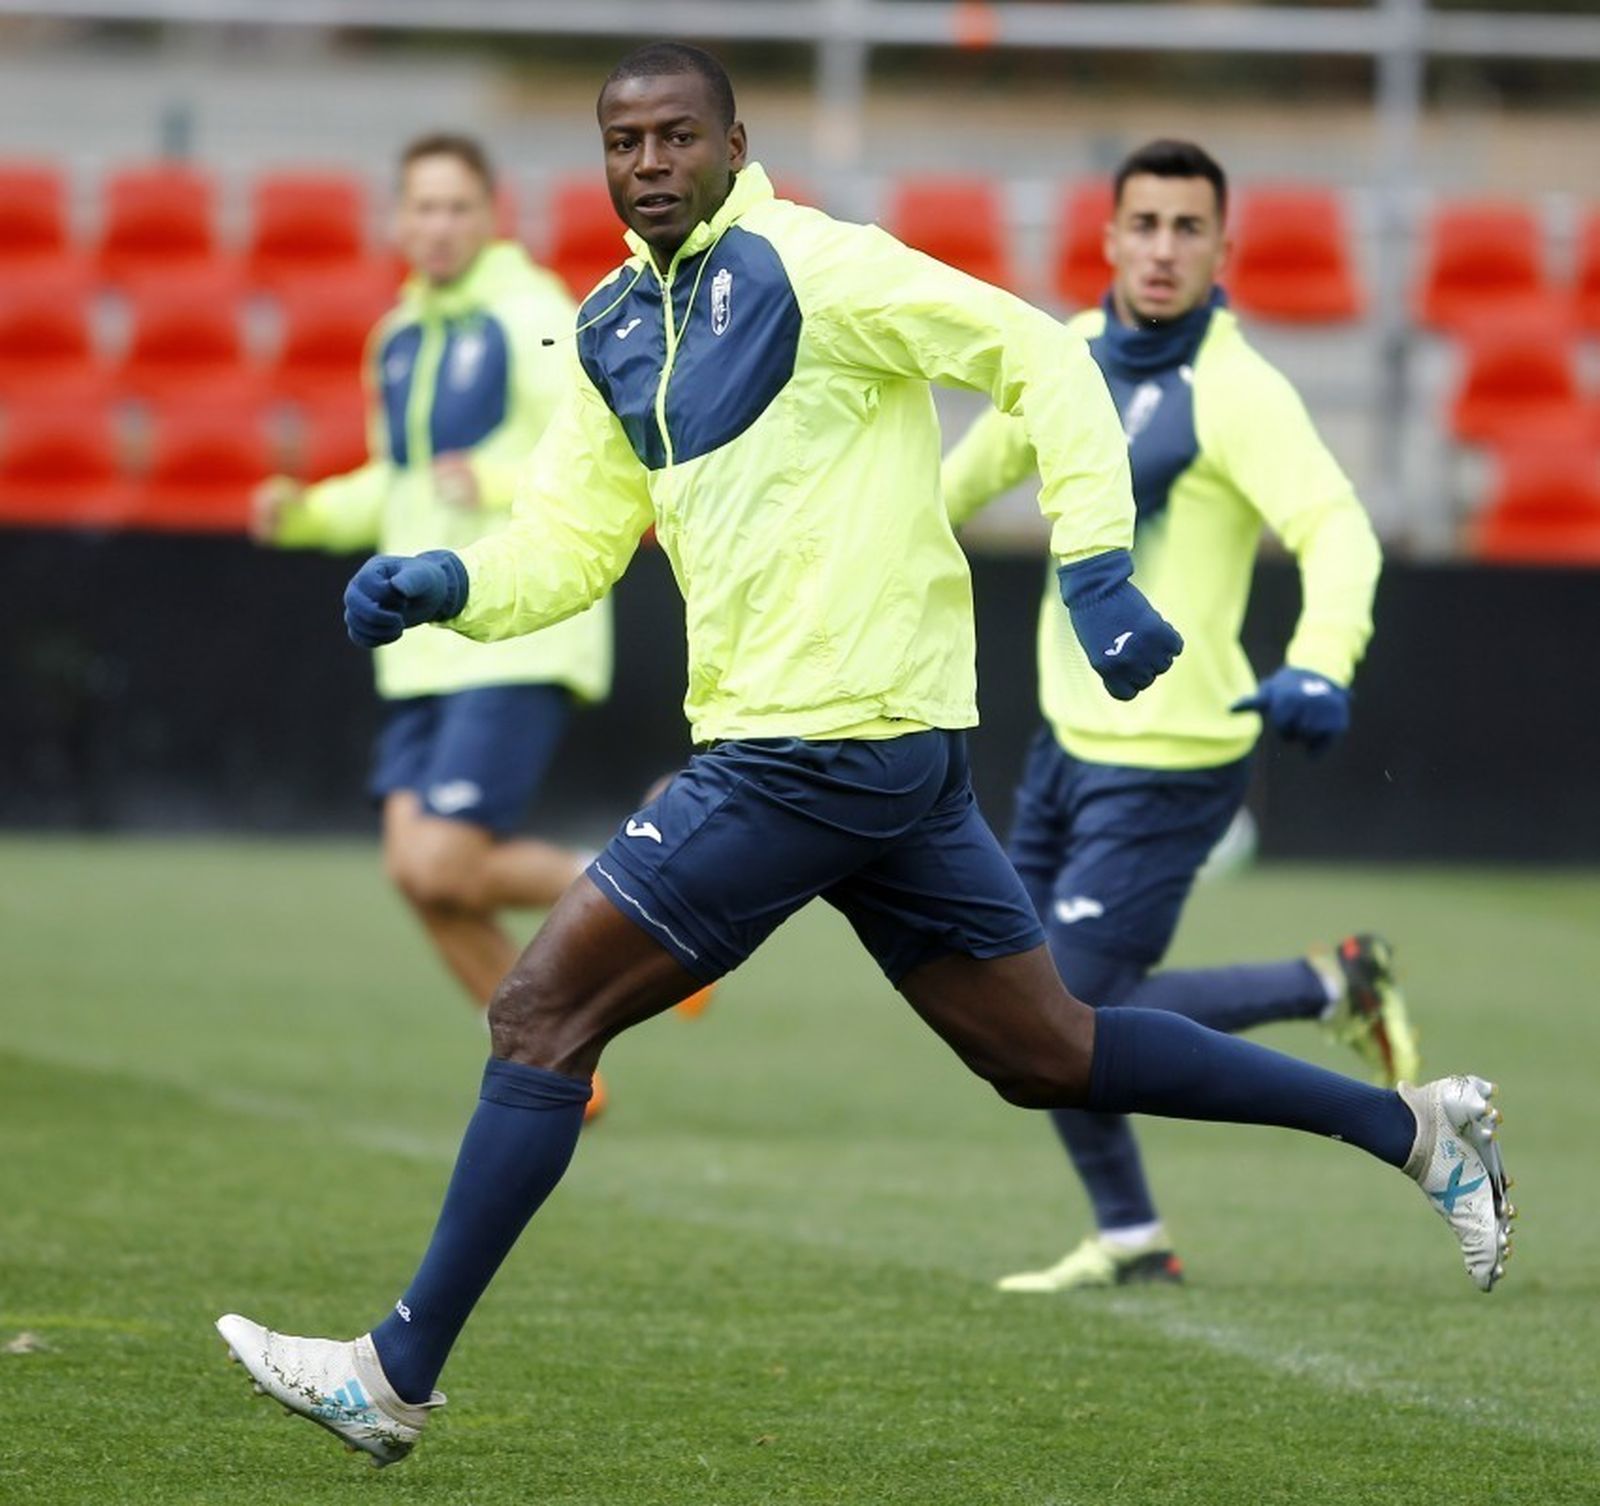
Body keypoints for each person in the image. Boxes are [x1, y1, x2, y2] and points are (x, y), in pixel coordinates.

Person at [216, 44, 1512, 1469]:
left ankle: (391, 1374)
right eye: (623, 142)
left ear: (735, 140)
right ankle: (1412, 1128)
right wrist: (451, 584)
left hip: (812, 745)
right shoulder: (607, 328)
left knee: (538, 1014)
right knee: (1048, 1047)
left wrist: (1092, 566)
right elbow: (575, 543)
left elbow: (1038, 352)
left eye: (676, 136)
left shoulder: (822, 266)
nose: (650, 163)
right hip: (876, 752)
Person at [940, 138, 1423, 1292]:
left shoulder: (1237, 391)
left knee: (1053, 1007)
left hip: (1174, 760)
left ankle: (1323, 997)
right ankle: (1133, 1232)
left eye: (1186, 228)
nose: (1162, 249)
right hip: (1065, 746)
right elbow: (947, 493)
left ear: (1222, 247)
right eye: (1143, 225)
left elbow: (1338, 533)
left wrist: (1321, 659)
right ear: (1107, 240)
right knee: (1032, 1015)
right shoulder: (1063, 359)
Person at [249, 133, 622, 1115]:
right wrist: (309, 512)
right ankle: (556, 1072)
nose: (440, 225)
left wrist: (494, 479)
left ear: (492, 212)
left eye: (458, 206)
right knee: (417, 878)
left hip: (515, 627)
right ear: (397, 220)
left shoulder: (534, 314)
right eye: (423, 207)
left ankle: (632, 893)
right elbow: (399, 484)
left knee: (443, 861)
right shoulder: (400, 336)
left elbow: (590, 448)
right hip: (421, 654)